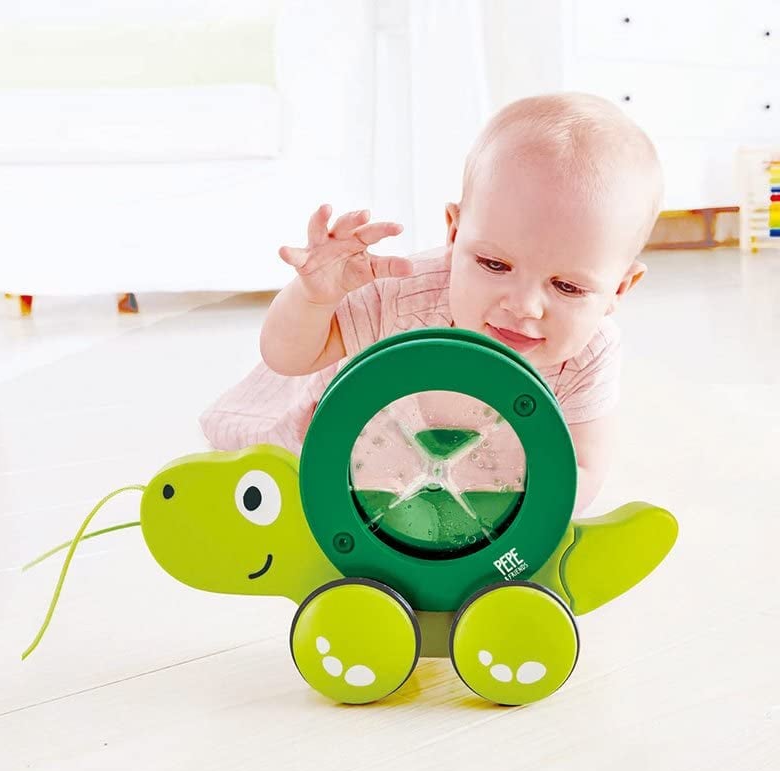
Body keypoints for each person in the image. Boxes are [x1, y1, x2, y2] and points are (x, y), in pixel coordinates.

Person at [200, 92, 663, 514]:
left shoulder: (589, 354)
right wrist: (313, 297)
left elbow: (581, 469)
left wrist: (512, 522)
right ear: (455, 233)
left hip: (462, 499)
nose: (524, 306)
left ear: (619, 289)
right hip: (332, 460)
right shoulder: (402, 295)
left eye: (567, 287)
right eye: (495, 264)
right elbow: (287, 356)